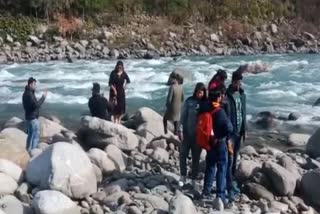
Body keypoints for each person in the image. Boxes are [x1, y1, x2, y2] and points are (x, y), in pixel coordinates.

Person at [201, 88, 233, 206]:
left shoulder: (204, 108)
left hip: (209, 142)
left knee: (210, 166)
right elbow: (229, 128)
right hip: (219, 143)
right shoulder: (219, 111)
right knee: (221, 168)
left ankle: (206, 191)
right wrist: (223, 137)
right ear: (218, 98)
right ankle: (220, 195)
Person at [178, 83, 207, 188]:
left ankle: (194, 179)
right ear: (195, 91)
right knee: (183, 155)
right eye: (198, 92)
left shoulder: (205, 104)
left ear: (204, 93)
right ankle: (182, 176)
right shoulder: (189, 101)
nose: (199, 94)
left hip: (198, 136)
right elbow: (183, 116)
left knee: (196, 158)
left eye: (201, 92)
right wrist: (180, 130)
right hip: (187, 134)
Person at [225, 71, 246, 201]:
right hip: (231, 134)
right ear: (232, 82)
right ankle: (228, 184)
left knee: (235, 158)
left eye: (240, 83)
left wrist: (245, 129)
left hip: (240, 132)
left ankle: (231, 181)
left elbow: (244, 112)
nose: (239, 85)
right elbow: (225, 116)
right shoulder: (227, 95)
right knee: (230, 159)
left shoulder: (242, 94)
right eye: (237, 83)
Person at [22, 77, 47, 152]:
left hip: (29, 117)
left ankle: (28, 150)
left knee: (30, 135)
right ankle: (33, 151)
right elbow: (36, 105)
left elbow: (32, 105)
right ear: (30, 84)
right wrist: (43, 97)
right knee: (35, 135)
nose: (35, 86)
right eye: (34, 84)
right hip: (32, 118)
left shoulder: (27, 93)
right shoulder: (29, 94)